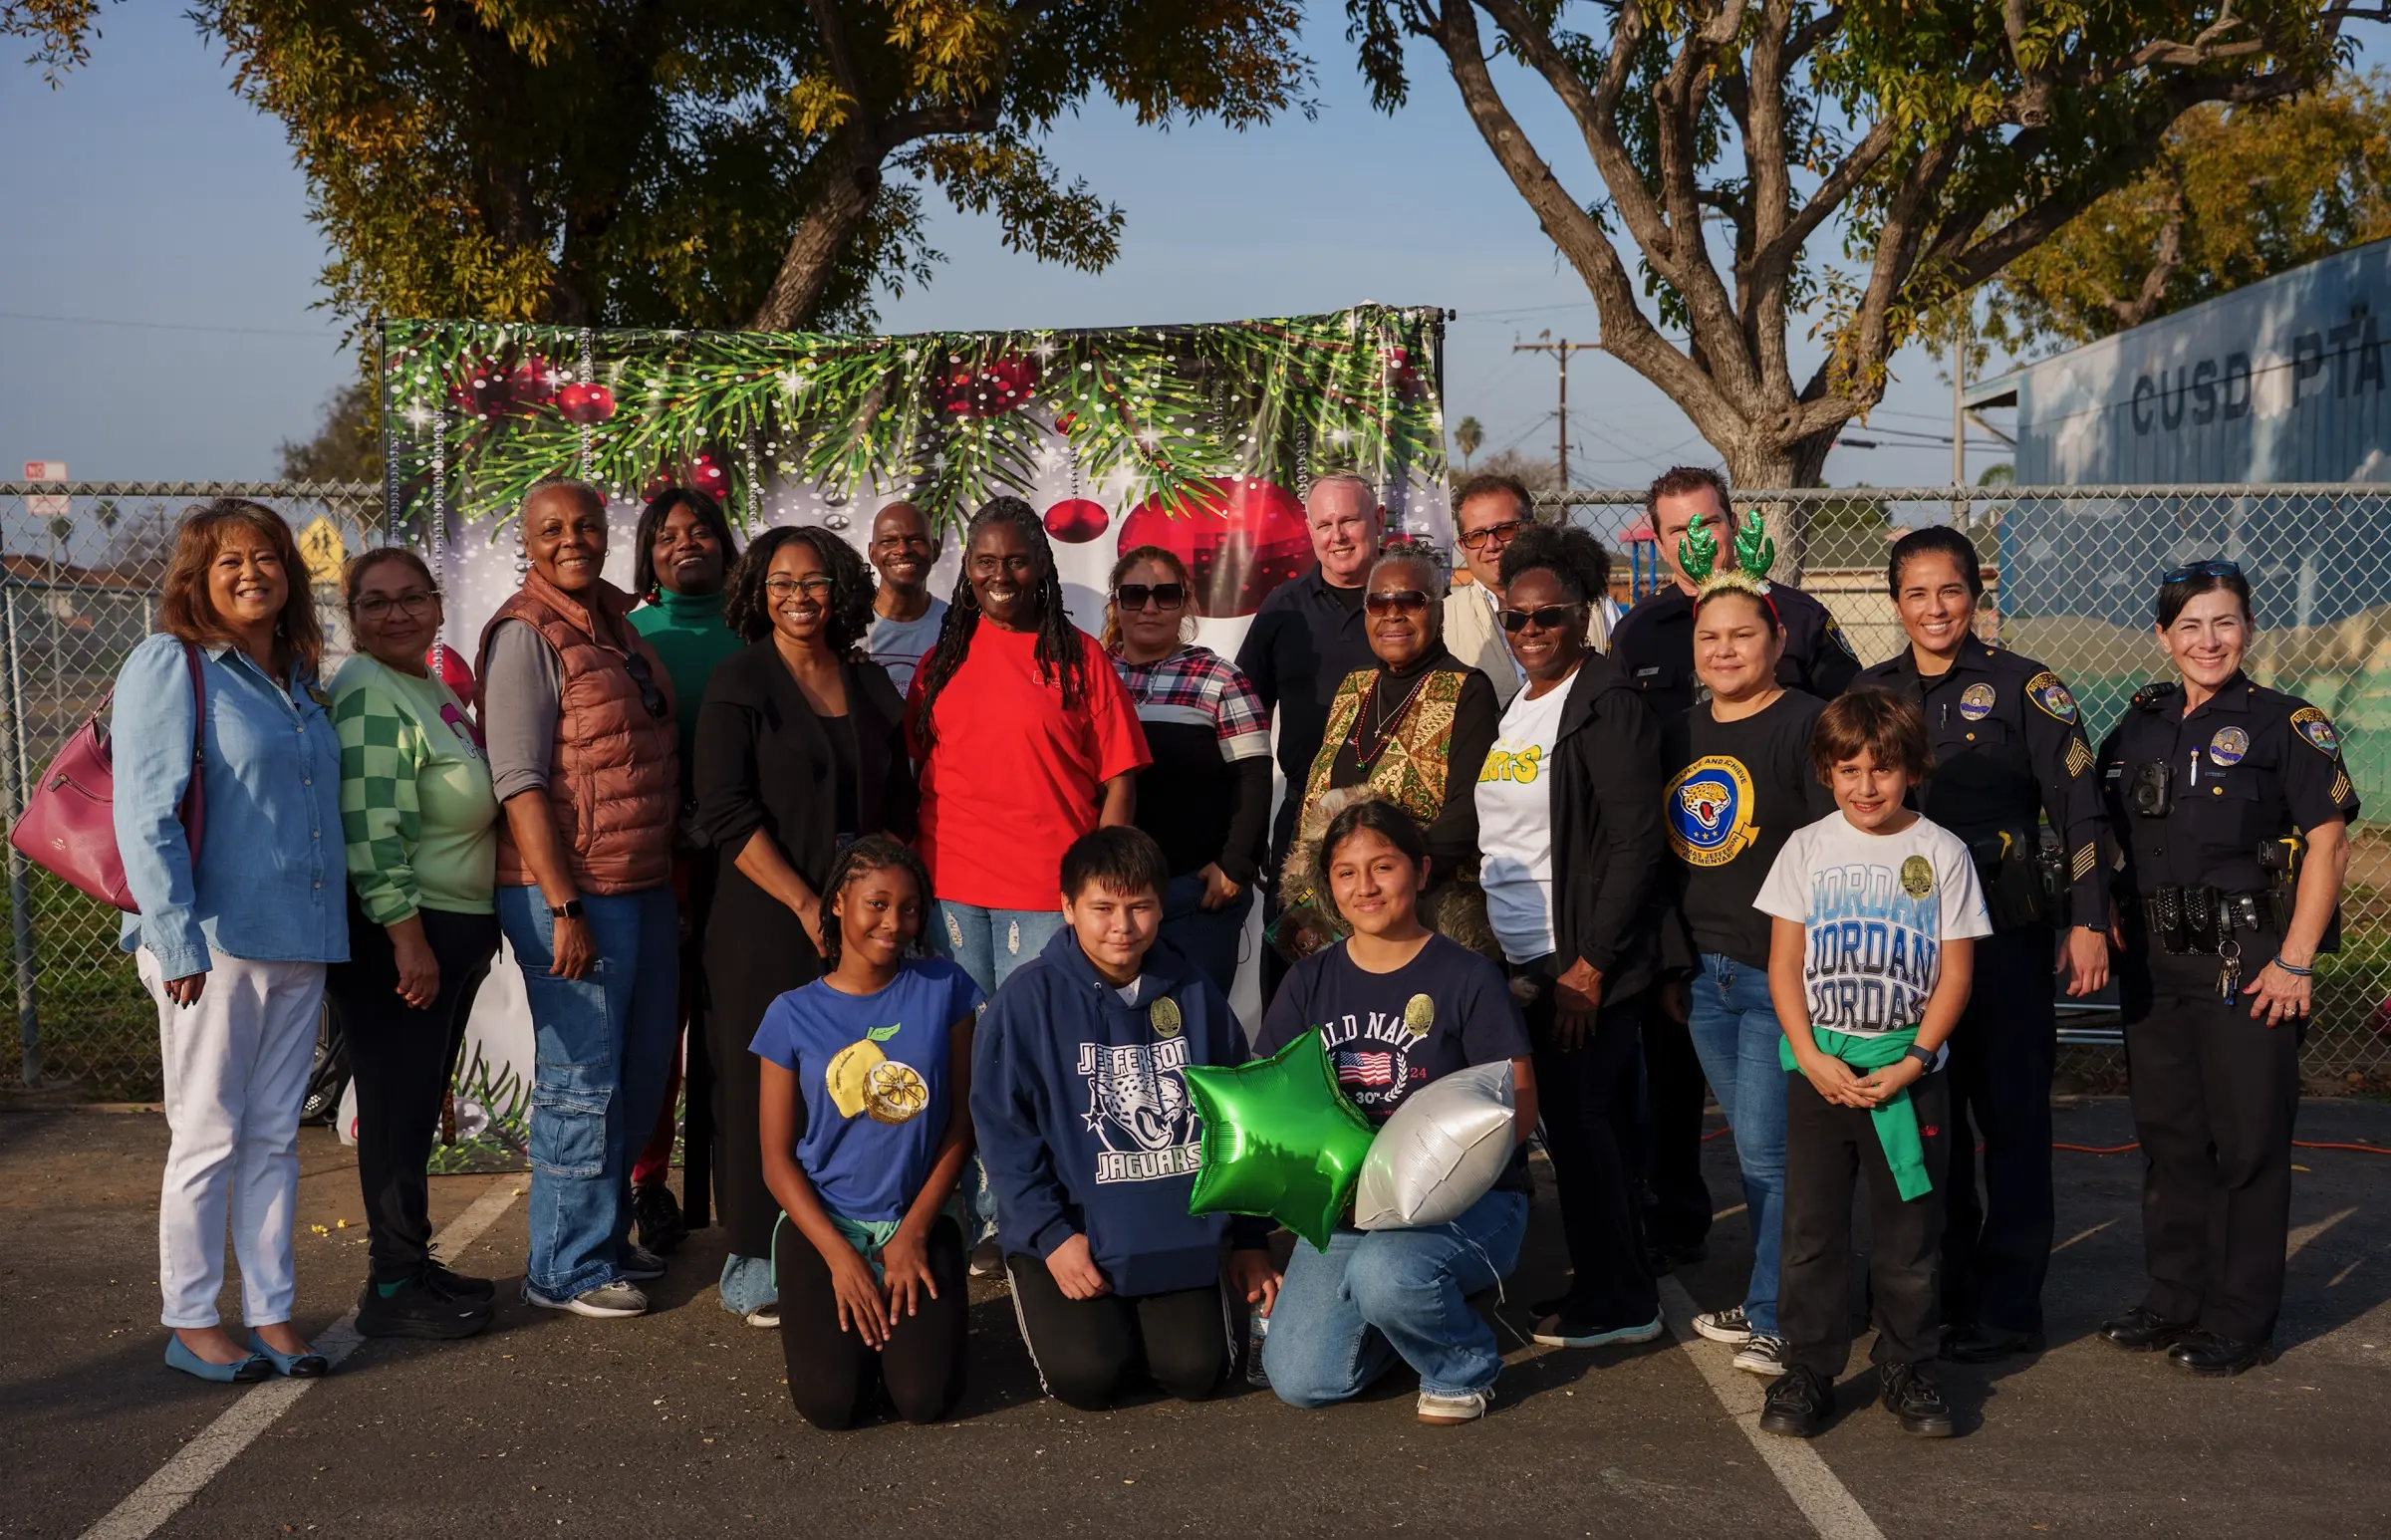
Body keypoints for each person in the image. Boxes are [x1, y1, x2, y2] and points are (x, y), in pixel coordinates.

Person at [1852, 526, 2110, 1364]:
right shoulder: (1872, 690)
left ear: (1975, 595)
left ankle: (2008, 1308)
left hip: (2003, 940)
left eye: (1951, 590)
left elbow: (2080, 810)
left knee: (2012, 1123)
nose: (1935, 608)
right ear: (1897, 603)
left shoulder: (2024, 687)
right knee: (1932, 1125)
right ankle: (1941, 1291)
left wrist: (2089, 919)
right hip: (1903, 950)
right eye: (1918, 593)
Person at [2094, 560, 2357, 1377]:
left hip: (2250, 964)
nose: (2208, 640)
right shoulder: (2135, 726)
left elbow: (2329, 842)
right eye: (2190, 625)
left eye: (2224, 622)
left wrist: (2295, 960)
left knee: (2247, 1146)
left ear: (2248, 630)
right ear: (2164, 637)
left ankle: (2240, 1318)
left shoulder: (2288, 723)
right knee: (2171, 1141)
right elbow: (2100, 835)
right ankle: (2175, 1298)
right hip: (2155, 966)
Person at [115, 499, 347, 1383]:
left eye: (267, 559)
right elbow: (147, 813)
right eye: (228, 563)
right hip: (211, 943)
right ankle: (190, 1318)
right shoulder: (172, 666)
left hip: (299, 938)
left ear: (289, 574)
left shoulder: (297, 678)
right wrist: (175, 940)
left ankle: (273, 1311)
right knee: (207, 1133)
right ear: (196, 579)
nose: (252, 573)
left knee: (275, 1138)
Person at [1611, 466, 1861, 1274]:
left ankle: (1789, 1296)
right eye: (1676, 527)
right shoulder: (1640, 631)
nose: (1695, 540)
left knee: (1773, 1140)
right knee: (1677, 1101)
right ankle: (1685, 1233)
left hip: (1778, 942)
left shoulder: (1801, 619)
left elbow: (1852, 756)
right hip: (1691, 924)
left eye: (1708, 522)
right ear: (1657, 536)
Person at [1254, 801, 1537, 1424]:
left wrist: (1435, 1187)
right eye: (1346, 872)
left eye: (1383, 866)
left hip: (1466, 1202)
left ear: (1421, 870)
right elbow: (1271, 1099)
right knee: (1303, 1379)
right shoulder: (1307, 982)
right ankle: (1410, 1311)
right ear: (1327, 885)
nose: (1366, 887)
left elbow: (1517, 1102)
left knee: (1389, 1275)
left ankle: (1460, 1363)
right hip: (1351, 1207)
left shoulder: (1467, 976)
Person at [971, 827, 1273, 1410]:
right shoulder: (1025, 1001)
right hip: (1074, 1234)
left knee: (1196, 1372)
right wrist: (1053, 1237)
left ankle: (1148, 1322)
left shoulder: (1193, 992)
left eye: (1140, 907)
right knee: (1090, 1378)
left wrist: (1251, 1237)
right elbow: (1005, 1135)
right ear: (1067, 908)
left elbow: (1243, 1115)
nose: (1122, 926)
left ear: (1162, 905)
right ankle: (1082, 1310)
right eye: (1102, 908)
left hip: (1172, 1234)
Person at [1755, 690, 1991, 1439]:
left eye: (1882, 770)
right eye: (1849, 768)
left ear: (1912, 769)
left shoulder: (1943, 853)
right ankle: (1810, 1367)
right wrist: (1814, 1057)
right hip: (1822, 1071)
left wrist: (1918, 1059)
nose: (1866, 786)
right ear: (1827, 771)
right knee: (1814, 1231)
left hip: (1906, 1077)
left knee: (1909, 1232)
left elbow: (1955, 973)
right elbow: (1784, 965)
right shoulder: (1807, 848)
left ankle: (1908, 1363)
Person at [697, 526, 917, 1327]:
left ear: (840, 591)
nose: (799, 595)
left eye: (815, 580)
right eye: (782, 581)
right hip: (765, 917)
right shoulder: (739, 681)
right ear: (759, 590)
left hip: (857, 924)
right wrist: (802, 903)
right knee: (766, 1084)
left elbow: (893, 800)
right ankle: (757, 1261)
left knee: (845, 1083)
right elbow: (724, 809)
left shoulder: (866, 683)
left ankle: (843, 1238)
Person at [478, 478, 681, 1320]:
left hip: (639, 887)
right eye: (552, 528)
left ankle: (604, 1237)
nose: (573, 539)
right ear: (527, 540)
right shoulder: (527, 633)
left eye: (587, 525)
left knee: (633, 1076)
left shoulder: (614, 621)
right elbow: (520, 782)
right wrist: (563, 906)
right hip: (571, 895)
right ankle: (562, 1266)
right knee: (582, 1083)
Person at [1470, 524, 1670, 1352]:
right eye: (1515, 620)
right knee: (1579, 1133)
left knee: (1592, 1133)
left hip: (1579, 961)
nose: (1530, 634)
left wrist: (1588, 968)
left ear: (1584, 613)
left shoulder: (1608, 701)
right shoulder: (1523, 702)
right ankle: (1606, 1277)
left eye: (1547, 618)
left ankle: (1620, 1302)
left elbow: (1636, 842)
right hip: (1527, 955)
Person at [1656, 518, 1839, 1377]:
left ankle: (1783, 1315)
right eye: (1710, 637)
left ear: (1777, 637)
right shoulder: (1682, 732)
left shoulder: (1806, 723)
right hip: (1706, 975)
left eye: (1743, 635)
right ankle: (1774, 1295)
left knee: (1771, 1155)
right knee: (1754, 1149)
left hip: (1779, 975)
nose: (1725, 651)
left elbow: (1828, 853)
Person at [327, 548, 501, 1342]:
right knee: (396, 1110)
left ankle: (411, 1260)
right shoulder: (367, 691)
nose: (396, 614)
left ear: (436, 605)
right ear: (352, 618)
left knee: (413, 1107)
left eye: (411, 598)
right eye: (375, 603)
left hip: (447, 927)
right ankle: (393, 1285)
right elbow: (371, 827)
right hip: (404, 933)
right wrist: (407, 938)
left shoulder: (428, 690)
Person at [753, 837, 980, 1429]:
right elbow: (776, 1160)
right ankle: (857, 1334)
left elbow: (962, 1121)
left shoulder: (945, 988)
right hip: (825, 1225)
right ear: (838, 903)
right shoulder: (790, 1013)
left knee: (924, 1399)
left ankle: (902, 1337)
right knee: (833, 1406)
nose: (894, 923)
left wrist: (913, 1232)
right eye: (876, 905)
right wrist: (839, 1257)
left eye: (909, 909)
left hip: (920, 1220)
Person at [909, 496, 1149, 997]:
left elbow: (1120, 782)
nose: (1001, 576)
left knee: (1039, 1040)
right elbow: (916, 774)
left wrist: (1098, 881)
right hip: (949, 886)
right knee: (967, 1045)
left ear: (1040, 564)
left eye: (1016, 561)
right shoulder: (940, 663)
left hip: (1049, 887)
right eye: (986, 562)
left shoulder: (1080, 657)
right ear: (968, 568)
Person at [1274, 540, 1500, 961]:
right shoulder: (1353, 688)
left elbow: (1469, 812)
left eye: (1410, 601)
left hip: (1422, 917)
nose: (1393, 614)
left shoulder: (1466, 690)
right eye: (1378, 602)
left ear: (1437, 608)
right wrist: (1312, 895)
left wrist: (1389, 880)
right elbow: (1314, 799)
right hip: (1334, 917)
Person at [625, 485, 744, 1256]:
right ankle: (647, 1184)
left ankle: (748, 1184)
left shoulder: (758, 630)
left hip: (744, 858)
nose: (685, 542)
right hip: (657, 860)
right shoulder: (629, 635)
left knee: (740, 1027)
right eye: (667, 534)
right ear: (649, 553)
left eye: (701, 530)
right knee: (655, 1034)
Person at [1235, 474, 1385, 991]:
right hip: (1304, 816)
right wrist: (1246, 831)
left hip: (1394, 816)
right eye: (1324, 524)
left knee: (1384, 964)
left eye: (1348, 520)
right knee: (1294, 971)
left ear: (1378, 521)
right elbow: (1242, 721)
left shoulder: (1409, 603)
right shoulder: (1282, 607)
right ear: (1309, 531)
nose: (1337, 535)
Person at [1102, 544, 1271, 996]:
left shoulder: (1219, 678)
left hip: (1195, 897)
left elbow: (1252, 777)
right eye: (1135, 595)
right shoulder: (1093, 673)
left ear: (1186, 601)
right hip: (1109, 901)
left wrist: (1235, 864)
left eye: (1166, 594)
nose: (1150, 607)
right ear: (1116, 603)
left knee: (1195, 1035)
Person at [1441, 473, 1611, 709]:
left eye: (1506, 529)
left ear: (1532, 528)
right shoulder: (1443, 619)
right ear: (1462, 545)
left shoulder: (1594, 604)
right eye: (1476, 535)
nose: (1492, 545)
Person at [865, 500, 947, 696]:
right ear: (872, 553)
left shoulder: (956, 627)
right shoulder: (847, 627)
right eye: (889, 541)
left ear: (935, 550)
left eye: (916, 539)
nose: (902, 550)